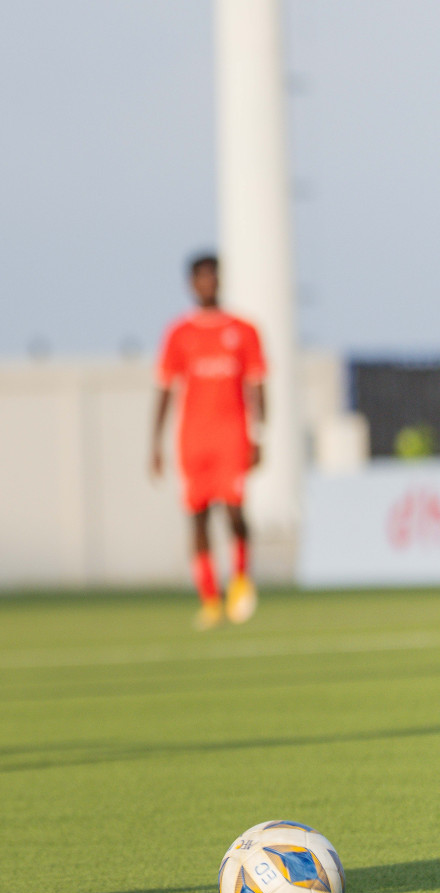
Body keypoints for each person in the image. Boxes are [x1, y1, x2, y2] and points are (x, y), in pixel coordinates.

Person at [150, 252, 266, 629]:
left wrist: (259, 434)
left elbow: (257, 385)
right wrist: (154, 444)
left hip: (232, 434)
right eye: (200, 277)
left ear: (220, 279)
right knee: (197, 518)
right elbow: (165, 388)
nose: (207, 283)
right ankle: (210, 600)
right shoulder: (179, 333)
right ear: (191, 283)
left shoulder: (243, 330)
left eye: (212, 275)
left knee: (234, 512)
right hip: (193, 438)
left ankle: (241, 578)